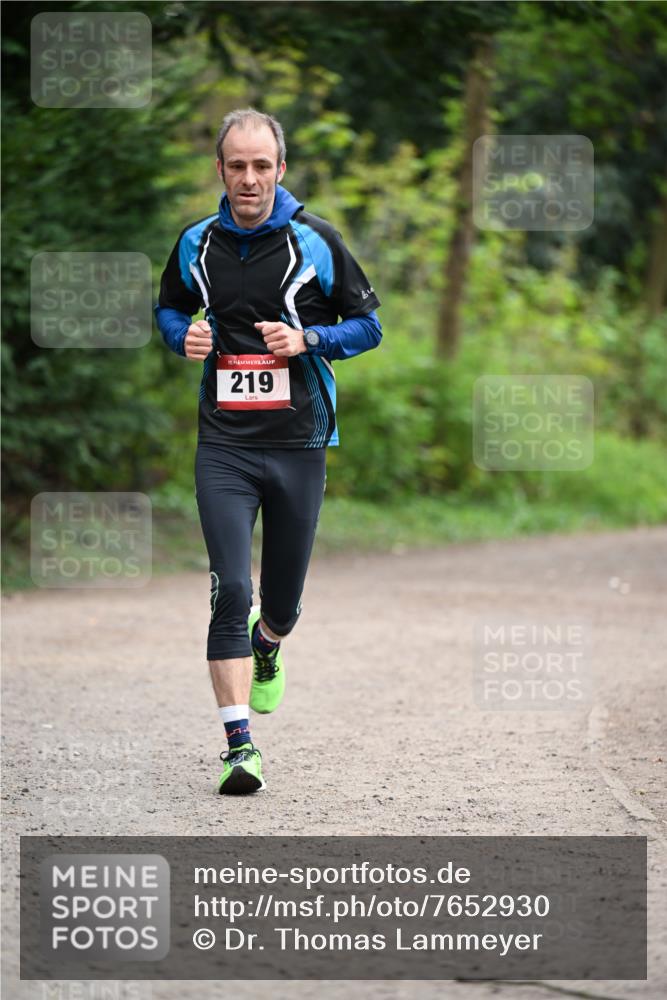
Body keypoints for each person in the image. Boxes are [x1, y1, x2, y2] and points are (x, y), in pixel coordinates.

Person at [155, 108, 382, 795]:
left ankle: (269, 643)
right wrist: (181, 337)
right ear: (219, 170)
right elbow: (168, 308)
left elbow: (368, 325)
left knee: (279, 605)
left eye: (261, 165)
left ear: (279, 170)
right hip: (222, 442)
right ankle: (238, 746)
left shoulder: (316, 240)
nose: (248, 178)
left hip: (298, 442)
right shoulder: (196, 243)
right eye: (236, 165)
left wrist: (308, 340)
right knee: (231, 589)